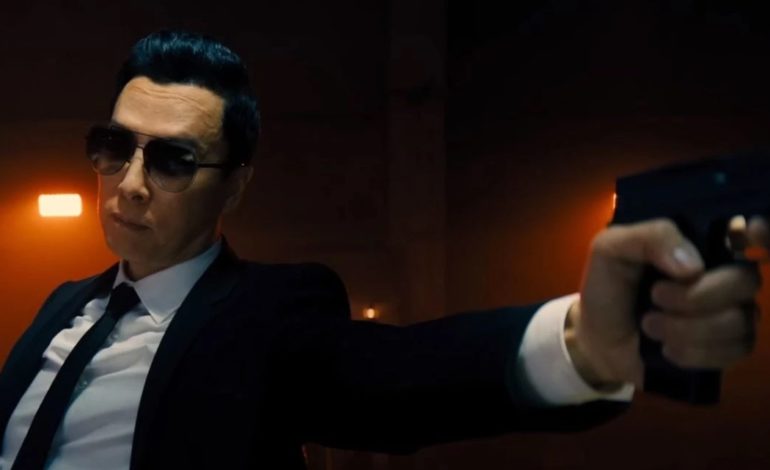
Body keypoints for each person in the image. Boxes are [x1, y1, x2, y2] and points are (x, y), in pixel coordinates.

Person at [0, 30, 763, 470]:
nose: (130, 184)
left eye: (172, 161)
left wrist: (584, 342)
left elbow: (390, 375)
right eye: (115, 148)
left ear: (233, 187)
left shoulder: (270, 312)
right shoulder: (66, 305)